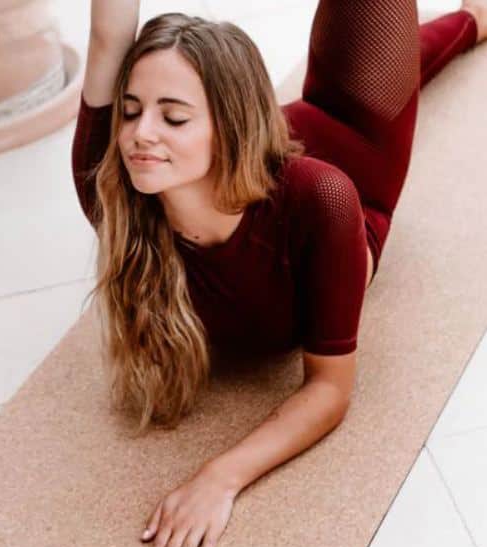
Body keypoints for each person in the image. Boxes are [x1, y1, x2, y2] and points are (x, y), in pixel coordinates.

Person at [72, 1, 484, 436]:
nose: (140, 133)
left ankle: (472, 19)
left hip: (351, 156)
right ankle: (474, 19)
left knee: (383, 84)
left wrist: (219, 479)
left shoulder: (324, 197)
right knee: (376, 76)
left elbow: (329, 390)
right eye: (132, 111)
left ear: (232, 127)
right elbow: (107, 39)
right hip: (252, 147)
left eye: (173, 117)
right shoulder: (113, 184)